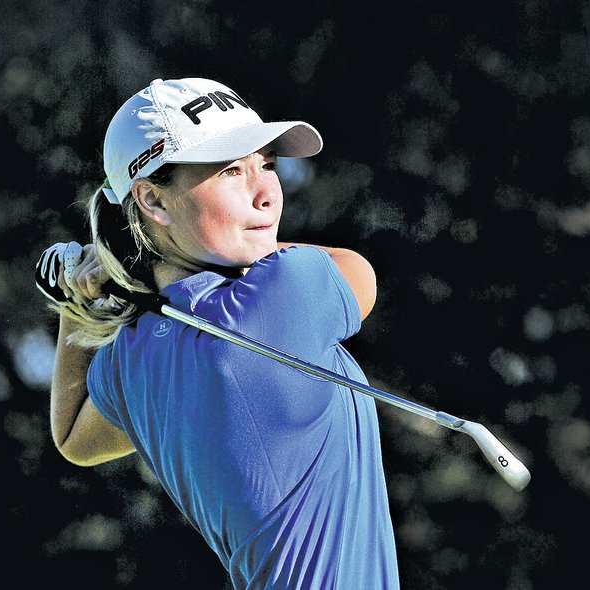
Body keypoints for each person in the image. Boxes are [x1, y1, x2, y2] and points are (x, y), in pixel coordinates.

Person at [35, 77, 400, 589]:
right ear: (153, 202)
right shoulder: (285, 293)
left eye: (267, 165)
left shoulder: (131, 359)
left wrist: (80, 301)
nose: (266, 194)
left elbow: (74, 437)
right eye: (231, 170)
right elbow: (360, 271)